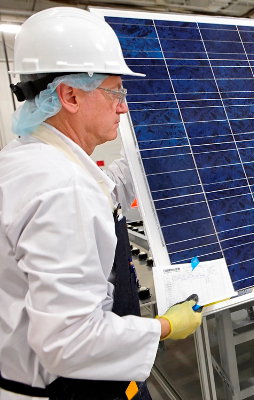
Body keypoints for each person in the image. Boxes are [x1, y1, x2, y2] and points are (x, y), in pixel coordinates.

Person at [0, 7, 203, 400]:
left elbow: (100, 189)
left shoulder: (31, 159)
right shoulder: (62, 187)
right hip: (67, 387)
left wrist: (155, 147)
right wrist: (164, 326)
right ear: (70, 95)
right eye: (115, 92)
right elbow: (70, 342)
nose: (123, 106)